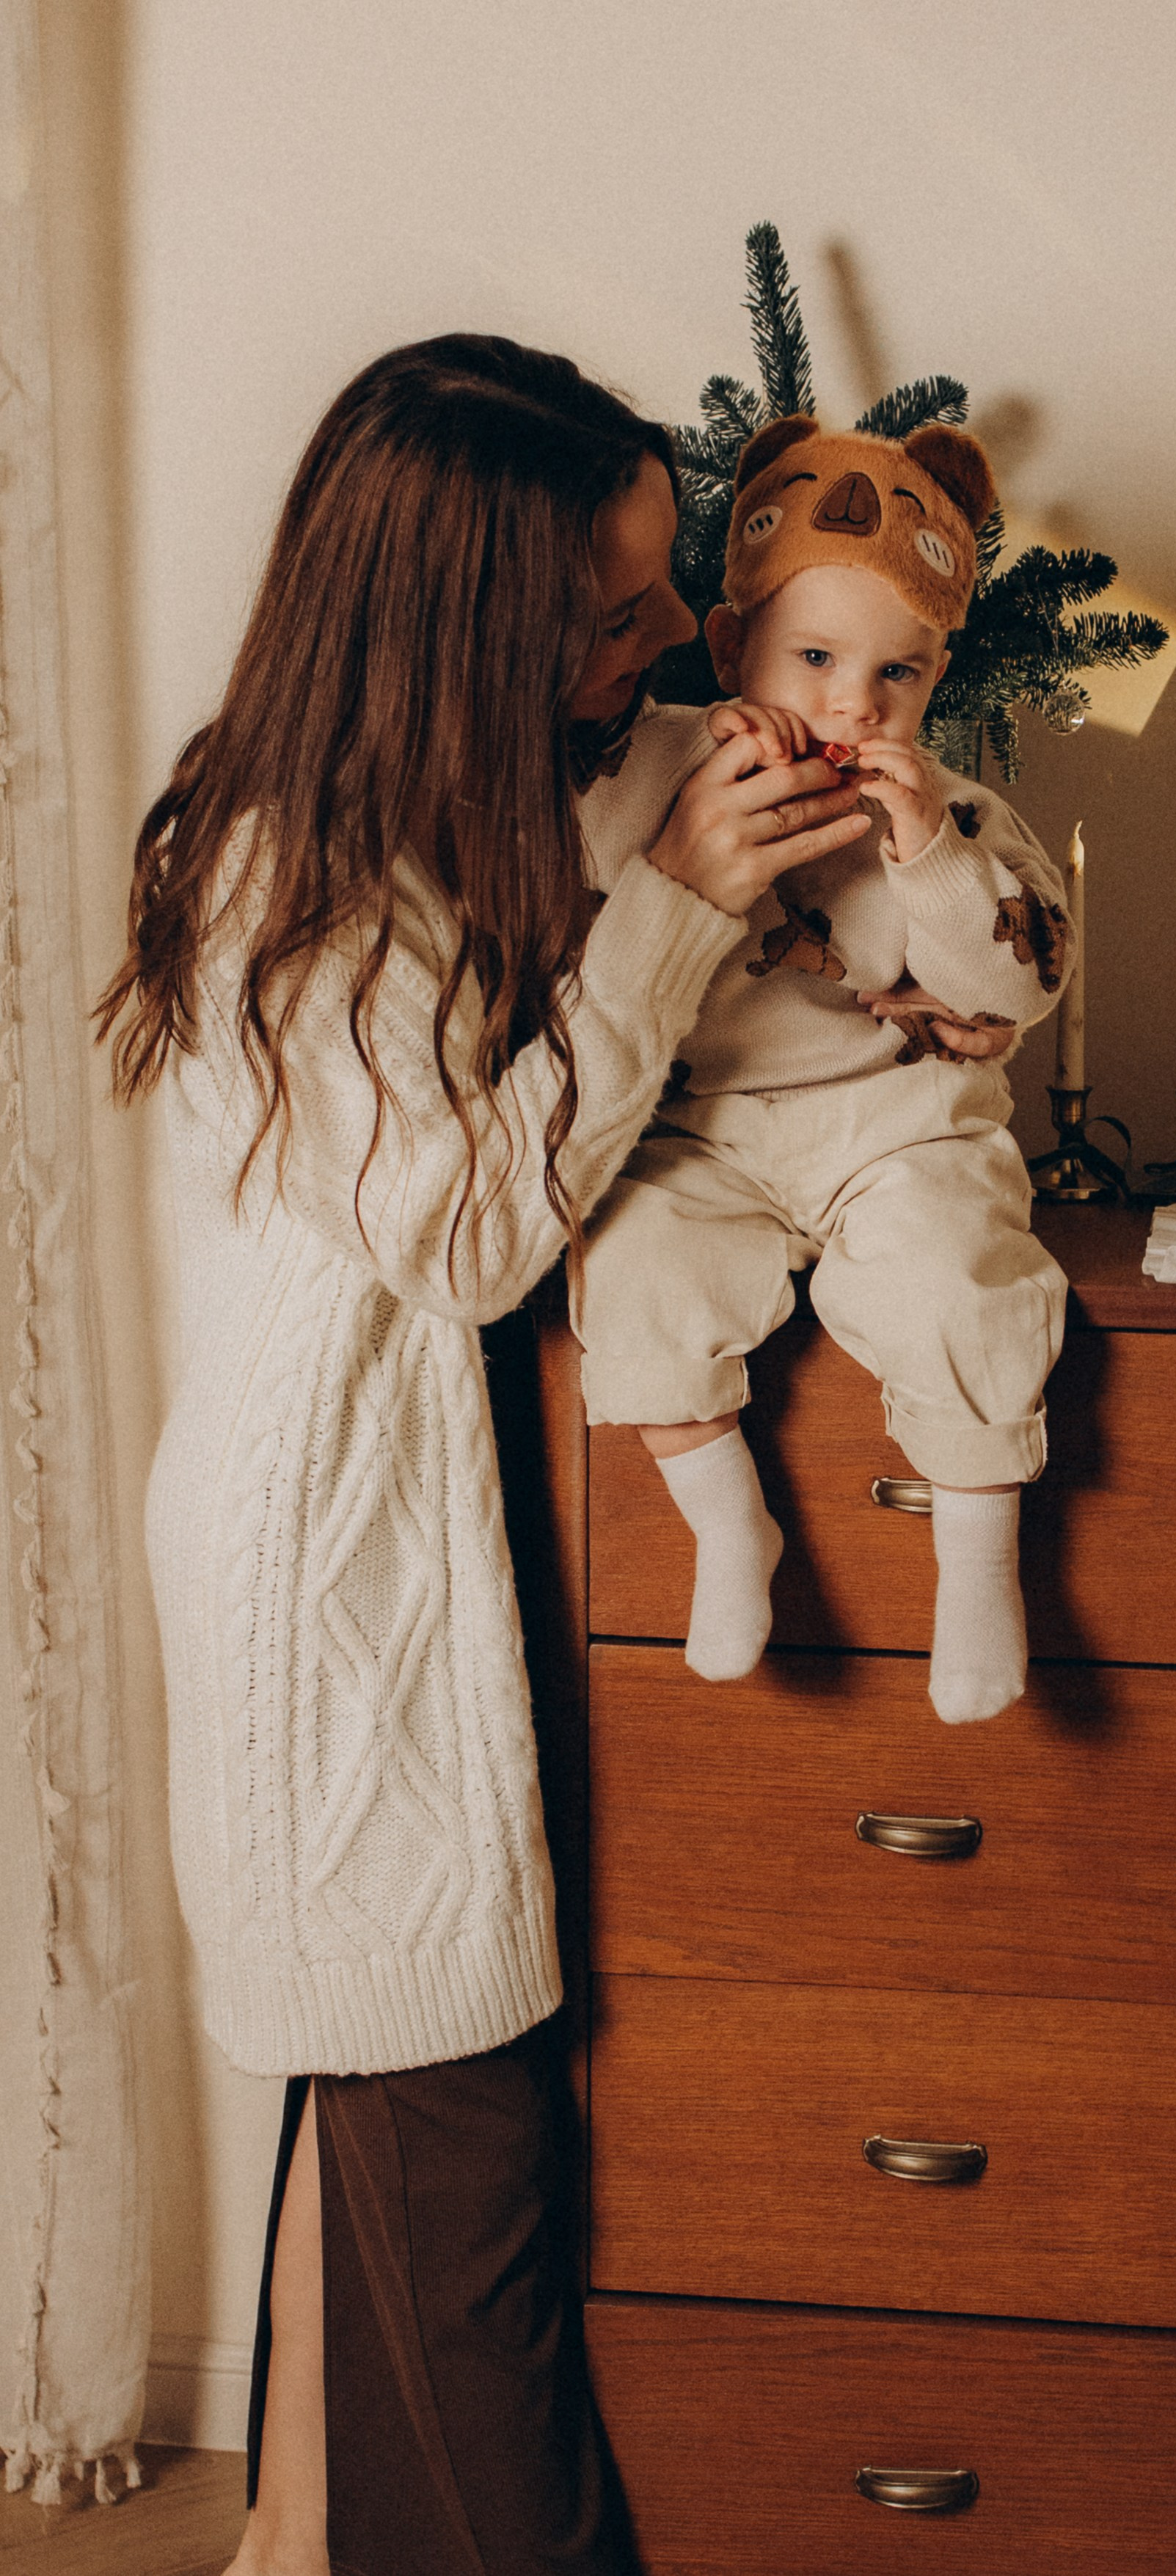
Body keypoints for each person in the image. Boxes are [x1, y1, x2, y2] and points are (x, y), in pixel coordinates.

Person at [98, 337, 1010, 2576]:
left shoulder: (540, 777)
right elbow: (481, 1231)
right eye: (606, 611)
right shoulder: (279, 873)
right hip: (343, 1581)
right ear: (463, 617)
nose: (653, 643)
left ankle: (294, 2542)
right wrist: (686, 909)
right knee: (456, 2153)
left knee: (391, 2105)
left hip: (464, 1533)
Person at [576, 413, 1074, 1724]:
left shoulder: (952, 815)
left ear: (935, 678)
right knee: (633, 1267)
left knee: (959, 1281)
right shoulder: (642, 769)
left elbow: (1018, 980)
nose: (856, 702)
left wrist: (930, 863)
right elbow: (567, 928)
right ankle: (729, 1530)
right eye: (814, 658)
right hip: (700, 1132)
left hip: (896, 1124)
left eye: (896, 675)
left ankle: (977, 1573)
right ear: (731, 645)